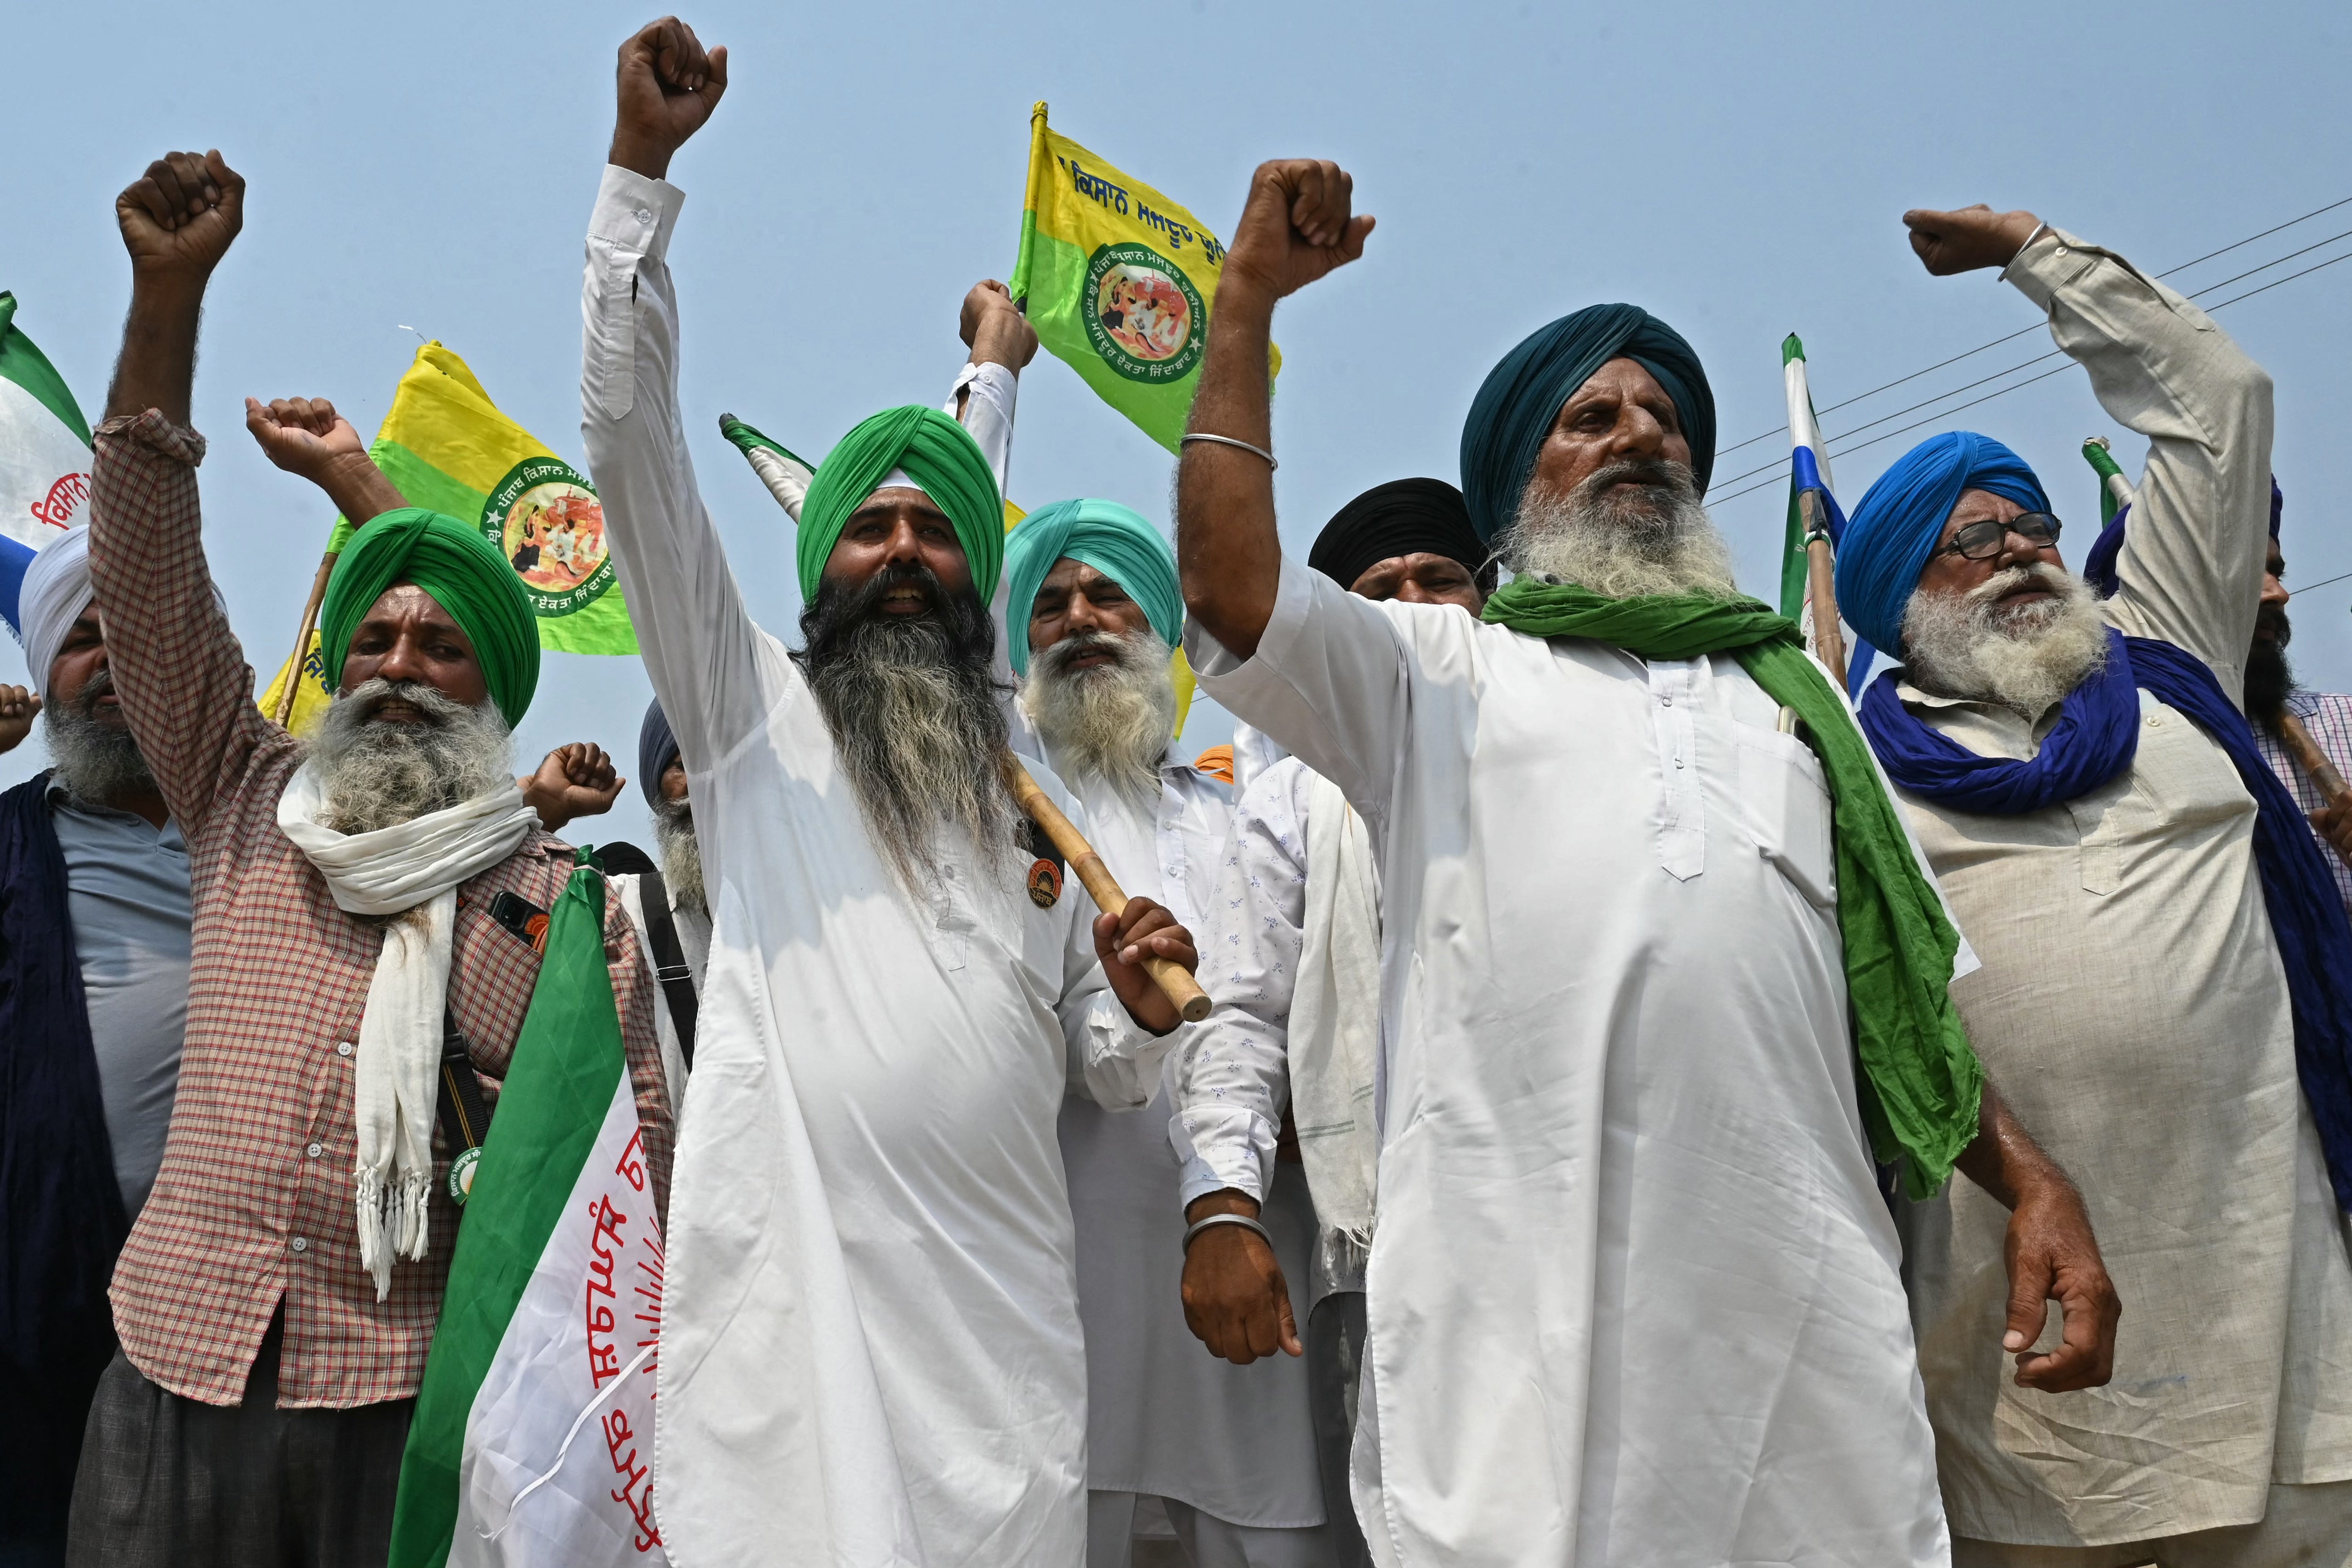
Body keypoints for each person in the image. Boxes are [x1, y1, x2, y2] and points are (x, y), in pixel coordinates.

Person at [1172, 156, 2118, 1568]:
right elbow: (1229, 589)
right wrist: (1243, 301)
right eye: (1590, 415)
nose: (1638, 434)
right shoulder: (1436, 672)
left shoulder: (1790, 712)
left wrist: (2034, 1183)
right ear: (1516, 485)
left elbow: (1899, 1013)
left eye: (1663, 417)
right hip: (1524, 1385)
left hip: (1796, 1383)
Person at [579, 21, 1203, 1564]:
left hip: (1002, 1373)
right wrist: (637, 182)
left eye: (937, 534)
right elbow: (632, 453)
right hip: (798, 1344)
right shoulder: (748, 730)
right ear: (817, 583)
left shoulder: (1034, 803)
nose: (909, 551)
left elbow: (1113, 1079)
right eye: (871, 531)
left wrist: (1125, 996)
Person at [65, 148, 674, 1568]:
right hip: (172, 1371)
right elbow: (145, 556)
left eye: (440, 644)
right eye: (376, 640)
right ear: (336, 667)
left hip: (405, 1412)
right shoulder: (238, 793)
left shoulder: (563, 914)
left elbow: (629, 1186)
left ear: (494, 690)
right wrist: (169, 293)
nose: (399, 666)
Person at [1835, 204, 2352, 1565]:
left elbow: (2219, 402)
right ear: (1898, 601)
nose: (2014, 548)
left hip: (2273, 1319)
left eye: (2029, 524)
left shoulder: (2162, 662)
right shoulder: (1847, 774)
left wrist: (2032, 254)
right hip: (2016, 1340)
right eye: (1968, 537)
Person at [1003, 500, 1327, 1568]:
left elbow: (1270, 1021)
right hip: (1062, 1275)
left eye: (1107, 595)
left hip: (1239, 1248)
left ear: (1161, 633)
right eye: (1049, 604)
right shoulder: (1002, 823)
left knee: (1263, 1531)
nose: (1079, 618)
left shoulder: (1243, 815)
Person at [1172, 477, 1489, 1568]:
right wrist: (1222, 1205)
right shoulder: (1289, 800)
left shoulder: (1554, 749)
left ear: (1485, 600)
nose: (1409, 601)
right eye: (1377, 588)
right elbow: (1242, 1013)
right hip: (1383, 1241)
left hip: (1564, 1207)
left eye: (1436, 578)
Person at [2243, 489, 2352, 910]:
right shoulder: (2128, 745)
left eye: (2274, 573)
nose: (2277, 595)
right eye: (2246, 571)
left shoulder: (2343, 720)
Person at [602, 696, 707, 1114]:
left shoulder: (806, 913)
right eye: (682, 764)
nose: (702, 783)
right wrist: (544, 807)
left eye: (720, 763)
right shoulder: (619, 909)